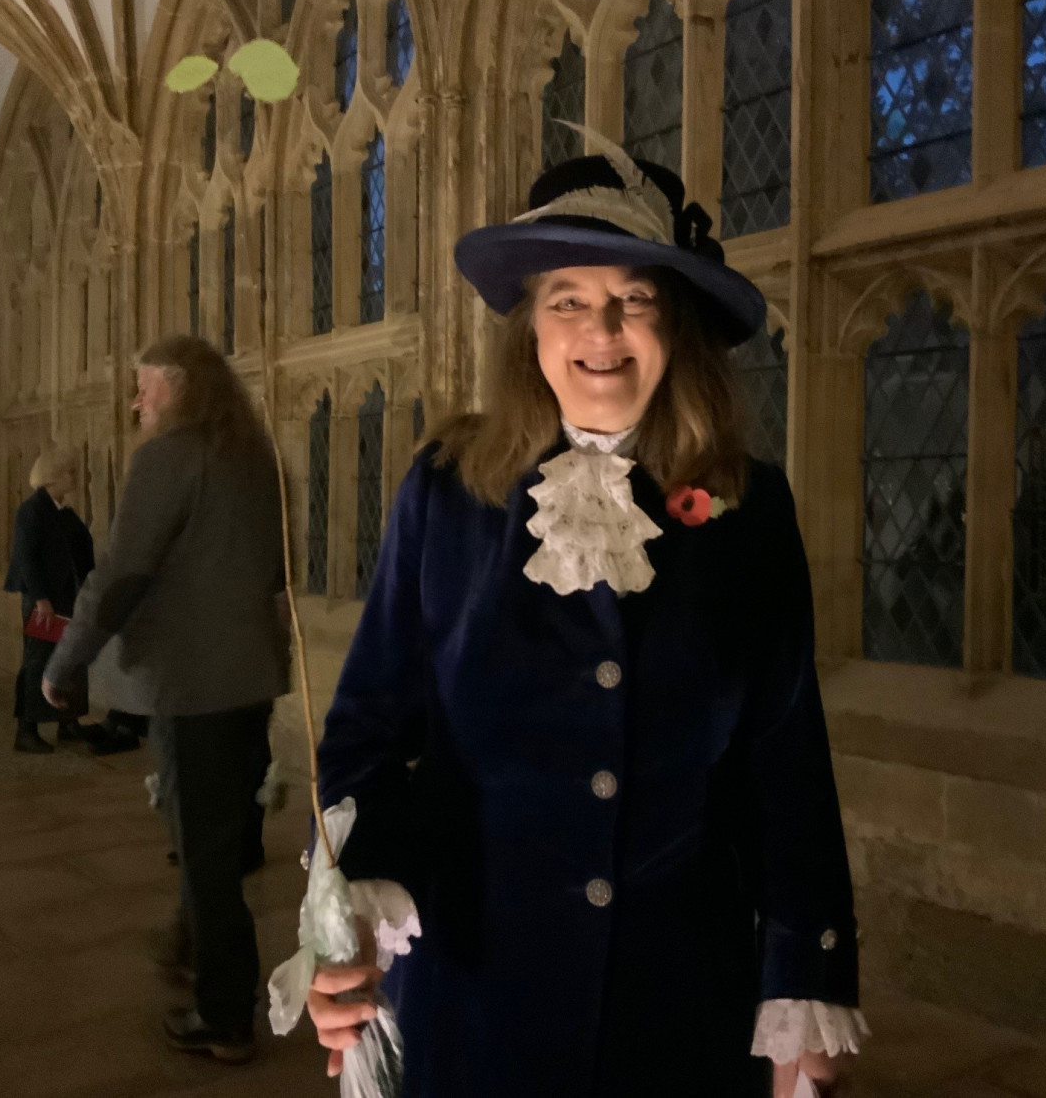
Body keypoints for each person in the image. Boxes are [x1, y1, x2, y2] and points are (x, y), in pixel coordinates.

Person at [306, 144, 867, 1098]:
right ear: (530, 328)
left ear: (674, 326)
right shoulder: (445, 494)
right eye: (568, 297)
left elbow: (787, 770)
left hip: (681, 1008)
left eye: (635, 298)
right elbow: (364, 738)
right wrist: (351, 908)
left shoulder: (748, 510)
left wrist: (802, 994)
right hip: (475, 998)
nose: (601, 328)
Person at [42, 335, 288, 1064]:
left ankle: (224, 1015)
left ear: (179, 384)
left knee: (205, 849)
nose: (135, 401)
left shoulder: (167, 457)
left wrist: (66, 661)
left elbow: (120, 572)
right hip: (250, 679)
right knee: (213, 828)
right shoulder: (253, 455)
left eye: (145, 386)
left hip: (195, 684)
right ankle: (188, 940)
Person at [3, 450, 95, 753]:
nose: (75, 477)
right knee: (37, 662)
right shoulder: (32, 511)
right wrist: (41, 598)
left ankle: (68, 723)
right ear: (52, 477)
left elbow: (80, 548)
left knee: (70, 661)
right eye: (69, 471)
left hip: (67, 598)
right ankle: (26, 731)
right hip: (44, 601)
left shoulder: (62, 511)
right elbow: (26, 559)